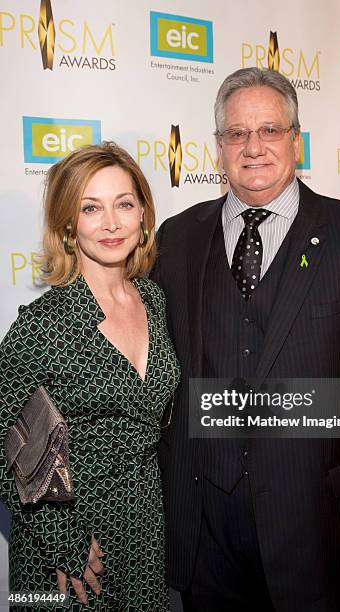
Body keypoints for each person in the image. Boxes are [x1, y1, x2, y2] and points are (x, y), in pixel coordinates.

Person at [151, 68, 340, 611]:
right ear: (218, 149)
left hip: (319, 531)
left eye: (270, 130)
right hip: (205, 533)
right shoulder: (178, 239)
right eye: (237, 134)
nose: (253, 146)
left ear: (296, 141)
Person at [0, 142, 180, 610]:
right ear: (67, 223)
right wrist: (65, 540)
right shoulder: (44, 323)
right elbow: (7, 441)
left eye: (124, 203)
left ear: (143, 213)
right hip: (68, 545)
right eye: (91, 208)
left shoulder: (155, 303)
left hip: (143, 522)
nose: (111, 223)